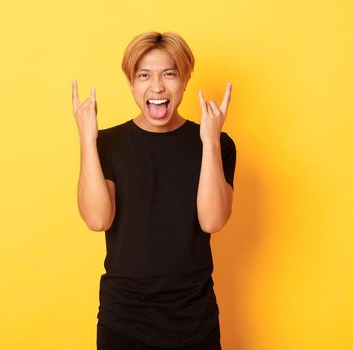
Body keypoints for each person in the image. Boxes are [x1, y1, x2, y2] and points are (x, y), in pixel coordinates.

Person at [71, 31, 236, 349]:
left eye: (169, 74)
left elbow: (212, 221)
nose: (157, 87)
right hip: (124, 320)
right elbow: (97, 220)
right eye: (144, 75)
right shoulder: (108, 144)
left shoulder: (217, 144)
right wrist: (87, 141)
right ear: (131, 83)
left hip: (194, 318)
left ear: (185, 80)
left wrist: (211, 141)